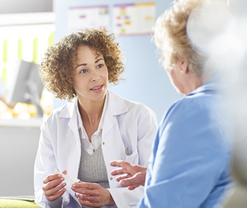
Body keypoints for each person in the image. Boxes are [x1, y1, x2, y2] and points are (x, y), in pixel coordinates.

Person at [110, 0, 232, 207]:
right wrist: (155, 176)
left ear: (183, 64)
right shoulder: (243, 105)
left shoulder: (194, 111)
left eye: (166, 58)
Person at [34, 28, 158, 208]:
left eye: (99, 65)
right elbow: (41, 187)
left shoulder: (140, 116)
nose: (96, 77)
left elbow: (156, 183)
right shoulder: (54, 123)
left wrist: (111, 197)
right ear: (67, 79)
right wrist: (50, 195)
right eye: (83, 71)